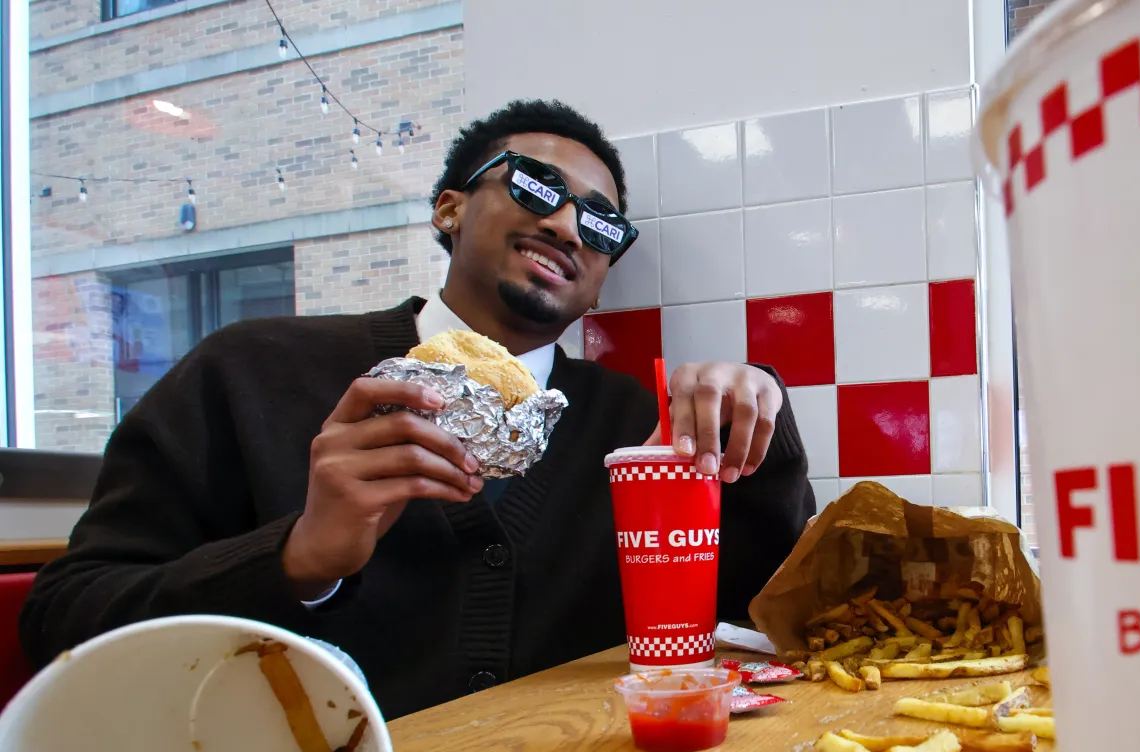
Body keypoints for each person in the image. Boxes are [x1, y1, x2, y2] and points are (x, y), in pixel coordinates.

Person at [21, 100, 815, 719]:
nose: (568, 224)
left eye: (602, 222)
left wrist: (759, 432)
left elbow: (766, 620)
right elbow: (65, 622)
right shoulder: (249, 372)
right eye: (535, 186)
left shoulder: (636, 427)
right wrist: (296, 560)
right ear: (449, 211)